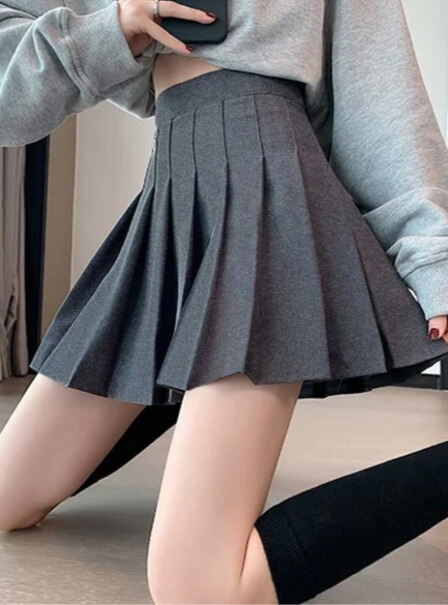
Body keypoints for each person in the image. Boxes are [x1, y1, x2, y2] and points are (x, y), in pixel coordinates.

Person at [2, 1, 448, 603]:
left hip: (269, 188)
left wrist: (434, 260)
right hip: (174, 190)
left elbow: (382, 102)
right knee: (6, 500)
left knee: (199, 587)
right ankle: (189, 367)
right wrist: (115, 29)